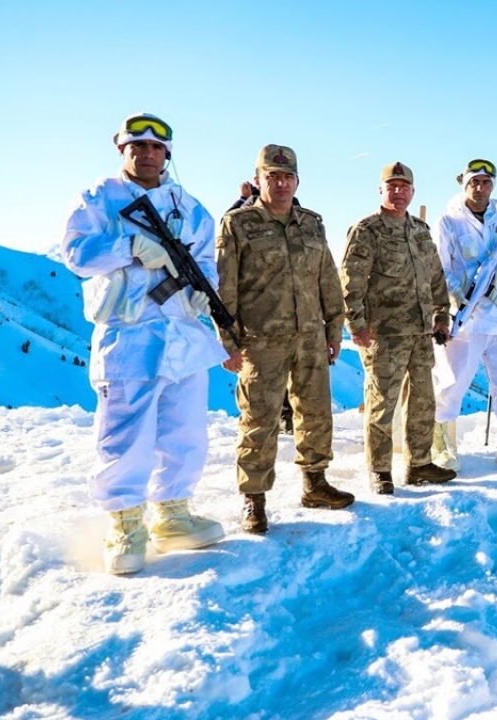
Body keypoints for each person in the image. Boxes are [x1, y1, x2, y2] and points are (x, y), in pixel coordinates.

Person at [61, 112, 226, 574]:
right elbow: (77, 254)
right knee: (126, 434)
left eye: (156, 147)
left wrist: (200, 290)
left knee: (185, 429)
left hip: (183, 333)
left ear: (167, 153)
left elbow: (207, 259)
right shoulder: (99, 199)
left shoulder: (189, 206)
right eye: (138, 146)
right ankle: (126, 524)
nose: (148, 154)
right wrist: (130, 247)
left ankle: (173, 514)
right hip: (129, 332)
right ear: (123, 151)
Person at [216, 144, 353, 534]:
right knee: (259, 420)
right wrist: (226, 341)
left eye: (287, 177)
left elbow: (328, 277)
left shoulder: (311, 223)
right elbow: (224, 286)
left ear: (297, 181)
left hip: (310, 335)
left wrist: (334, 328)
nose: (280, 183)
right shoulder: (239, 225)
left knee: (316, 413)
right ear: (258, 180)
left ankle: (315, 483)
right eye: (272, 177)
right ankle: (254, 500)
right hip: (261, 340)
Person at [341, 162, 456, 494]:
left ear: (412, 192)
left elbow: (436, 278)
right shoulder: (367, 230)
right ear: (381, 190)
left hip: (421, 332)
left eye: (404, 186)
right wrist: (356, 325)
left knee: (422, 400)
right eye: (392, 186)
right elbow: (351, 280)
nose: (398, 191)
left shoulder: (420, 231)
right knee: (381, 403)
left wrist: (441, 316)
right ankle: (379, 470)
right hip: (384, 333)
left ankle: (419, 464)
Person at [432, 159, 497, 473]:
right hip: (467, 317)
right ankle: (440, 442)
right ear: (464, 184)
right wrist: (454, 292)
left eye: (486, 183)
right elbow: (439, 265)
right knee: (453, 380)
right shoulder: (449, 221)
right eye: (474, 182)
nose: (480, 188)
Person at [228, 181, 295, 434]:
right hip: (256, 319)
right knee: (254, 380)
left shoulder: (293, 212)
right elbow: (230, 228)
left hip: (286, 312)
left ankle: (286, 416)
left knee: (286, 375)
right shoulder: (244, 216)